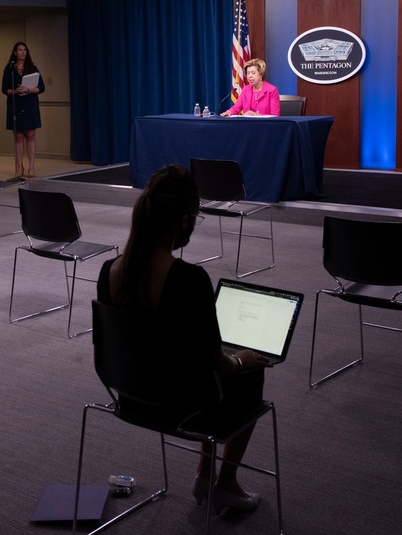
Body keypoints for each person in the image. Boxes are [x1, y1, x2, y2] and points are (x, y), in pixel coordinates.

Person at [97, 164, 271, 514]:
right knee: (250, 371)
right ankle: (225, 482)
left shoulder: (108, 271)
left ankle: (205, 474)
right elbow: (217, 365)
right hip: (185, 404)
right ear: (182, 221)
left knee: (206, 374)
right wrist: (240, 360)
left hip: (130, 396)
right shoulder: (190, 280)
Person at [1, 41, 45, 179]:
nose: (22, 52)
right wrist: (16, 91)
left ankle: (31, 166)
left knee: (30, 135)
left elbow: (41, 88)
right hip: (16, 103)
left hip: (30, 103)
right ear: (15, 52)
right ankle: (19, 166)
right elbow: (4, 90)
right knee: (19, 136)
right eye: (20, 50)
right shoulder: (10, 70)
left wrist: (28, 90)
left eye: (24, 50)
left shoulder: (33, 68)